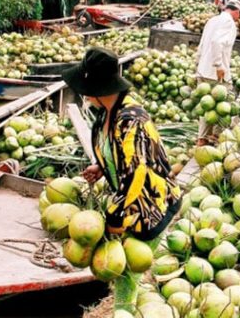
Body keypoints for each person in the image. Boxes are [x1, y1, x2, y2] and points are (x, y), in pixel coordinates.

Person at [60, 47, 181, 313]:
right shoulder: (106, 112)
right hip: (129, 202)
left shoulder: (132, 119)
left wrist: (114, 220)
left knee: (126, 272)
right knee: (124, 268)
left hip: (152, 204)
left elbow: (136, 172)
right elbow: (119, 154)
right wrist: (101, 167)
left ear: (96, 88)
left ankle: (123, 310)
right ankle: (124, 307)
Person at [195, 0, 240, 146]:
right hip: (216, 72)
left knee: (207, 106)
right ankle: (217, 137)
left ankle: (202, 139)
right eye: (239, 14)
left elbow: (202, 44)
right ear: (236, 11)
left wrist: (198, 63)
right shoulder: (228, 22)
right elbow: (216, 42)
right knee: (225, 105)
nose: (239, 17)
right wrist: (219, 65)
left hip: (203, 69)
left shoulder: (212, 20)